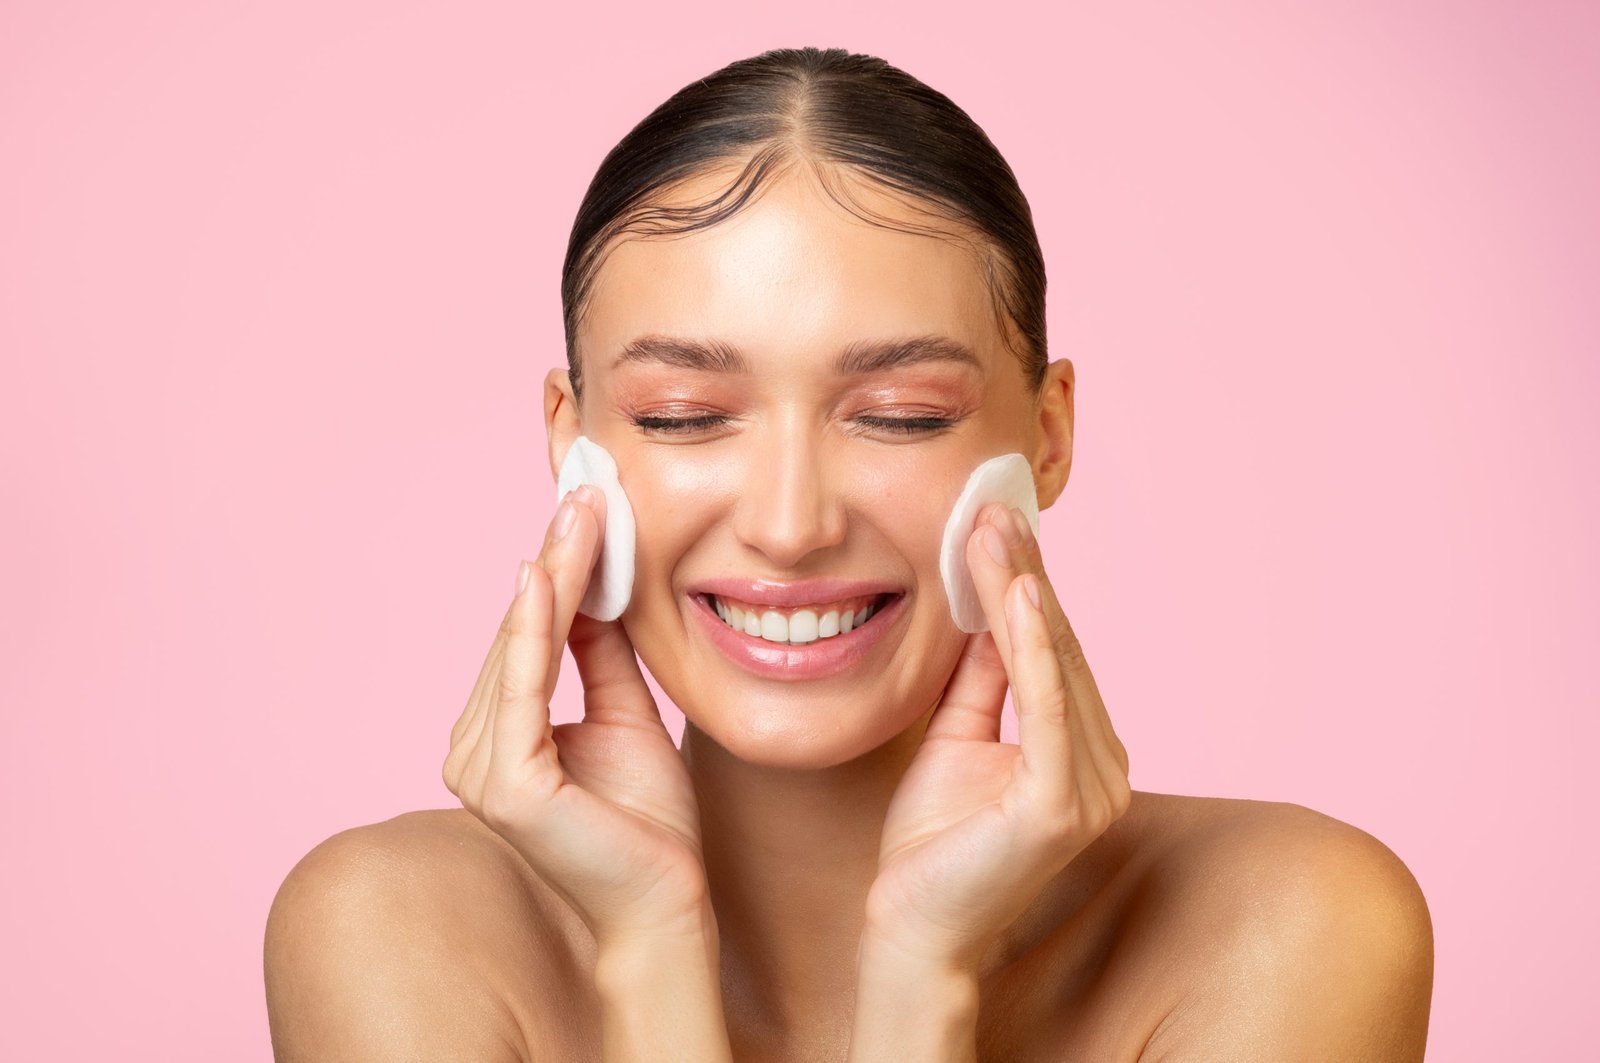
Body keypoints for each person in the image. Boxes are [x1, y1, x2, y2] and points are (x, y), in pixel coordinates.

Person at [263, 47, 1434, 1061]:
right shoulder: (393, 931)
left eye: (899, 415)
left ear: (1048, 436)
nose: (790, 523)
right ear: (574, 449)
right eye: (682, 414)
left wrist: (925, 973)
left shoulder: (1287, 925)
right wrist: (648, 943)